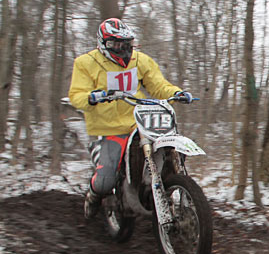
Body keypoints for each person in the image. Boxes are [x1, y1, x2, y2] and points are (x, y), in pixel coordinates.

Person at [68, 18, 192, 219]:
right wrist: (91, 97)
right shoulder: (85, 63)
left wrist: (177, 93)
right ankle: (93, 194)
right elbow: (76, 95)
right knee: (105, 181)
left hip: (139, 121)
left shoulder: (140, 60)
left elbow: (158, 86)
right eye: (116, 44)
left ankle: (166, 188)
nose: (122, 49)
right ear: (103, 44)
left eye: (126, 44)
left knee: (167, 148)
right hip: (109, 128)